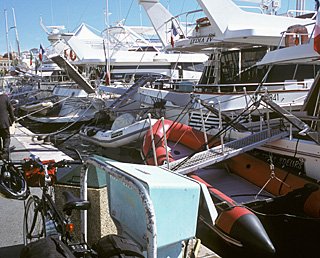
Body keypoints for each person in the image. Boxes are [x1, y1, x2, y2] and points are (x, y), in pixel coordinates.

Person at [0, 90, 15, 160]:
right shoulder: (5, 97)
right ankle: (5, 151)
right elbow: (10, 110)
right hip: (4, 123)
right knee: (6, 137)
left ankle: (0, 151)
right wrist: (12, 120)